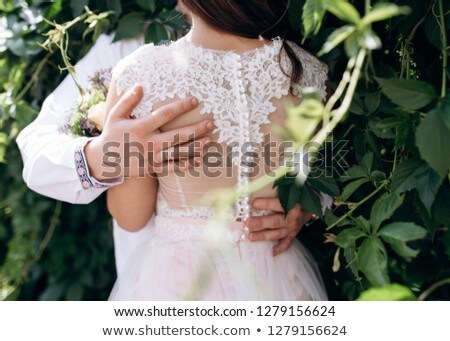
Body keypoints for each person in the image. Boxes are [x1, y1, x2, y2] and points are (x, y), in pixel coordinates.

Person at [16, 13, 314, 280]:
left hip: (173, 277)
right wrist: (102, 156)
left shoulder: (137, 71)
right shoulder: (303, 68)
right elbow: (37, 144)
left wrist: (309, 206)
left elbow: (321, 168)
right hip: (262, 270)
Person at [100, 0, 329, 300]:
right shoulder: (308, 73)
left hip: (180, 281)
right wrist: (307, 214)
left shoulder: (141, 77)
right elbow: (322, 186)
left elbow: (130, 216)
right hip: (278, 273)